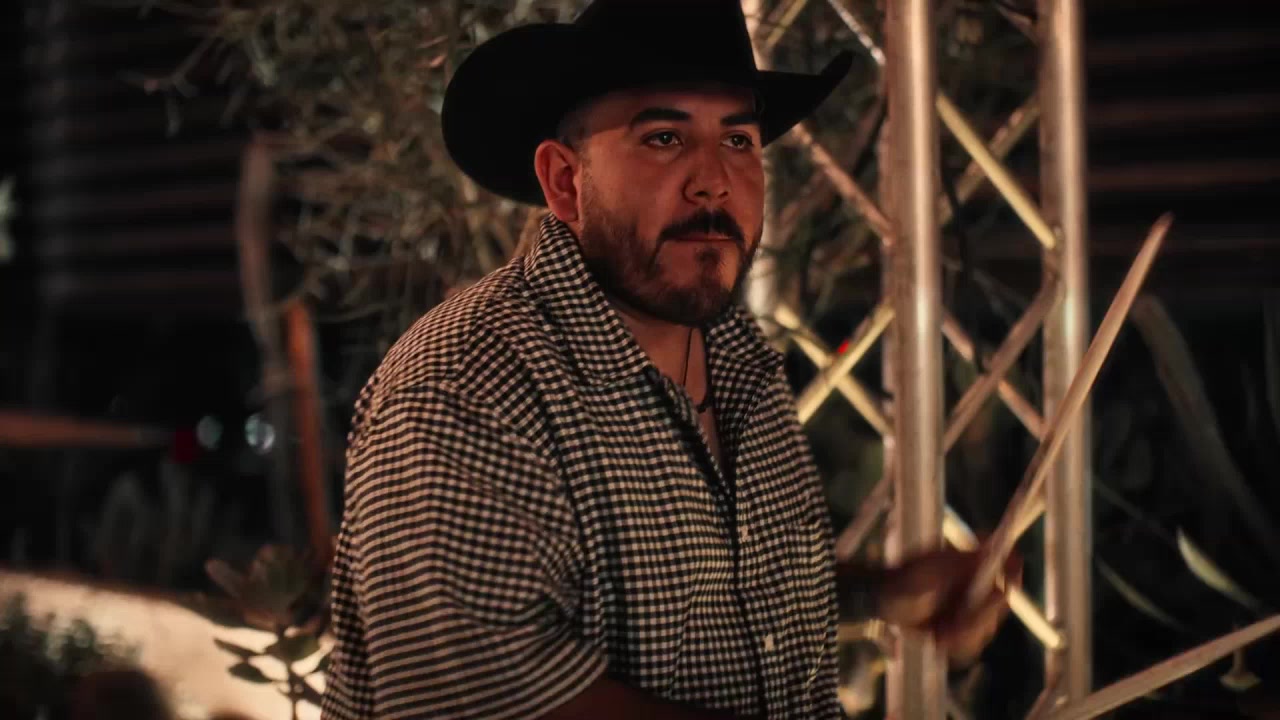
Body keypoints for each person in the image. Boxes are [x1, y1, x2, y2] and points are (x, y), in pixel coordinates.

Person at [321, 1, 1020, 718]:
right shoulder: (467, 389)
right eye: (663, 137)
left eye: (739, 140)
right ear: (564, 182)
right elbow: (488, 702)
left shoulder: (738, 359)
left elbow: (701, 592)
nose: (714, 180)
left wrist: (882, 594)